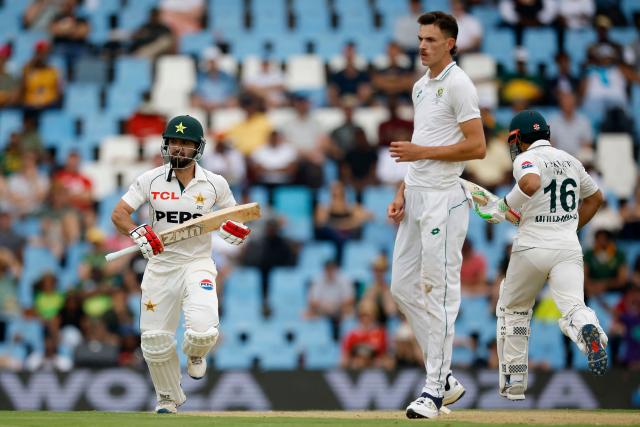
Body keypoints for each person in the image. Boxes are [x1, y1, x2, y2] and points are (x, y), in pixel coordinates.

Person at [110, 115, 252, 414]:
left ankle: (196, 354)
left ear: (197, 148)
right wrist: (138, 232)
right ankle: (167, 398)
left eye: (185, 143)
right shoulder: (149, 179)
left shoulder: (215, 183)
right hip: (160, 266)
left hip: (197, 263)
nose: (177, 148)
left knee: (201, 331)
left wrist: (236, 232)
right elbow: (120, 214)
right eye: (173, 141)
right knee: (154, 342)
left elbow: (235, 218)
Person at [387, 11, 486, 419]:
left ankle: (432, 391)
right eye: (420, 38)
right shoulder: (421, 87)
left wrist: (420, 155)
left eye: (431, 39)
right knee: (401, 287)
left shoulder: (459, 84)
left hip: (445, 199)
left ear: (451, 43)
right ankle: (443, 378)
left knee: (440, 293)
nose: (422, 45)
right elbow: (422, 142)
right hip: (418, 196)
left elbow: (477, 146)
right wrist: (402, 190)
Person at [472, 110, 608, 402]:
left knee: (513, 309)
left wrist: (502, 206)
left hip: (532, 246)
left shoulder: (525, 159)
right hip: (568, 246)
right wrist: (571, 226)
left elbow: (531, 184)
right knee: (573, 307)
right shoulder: (572, 160)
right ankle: (589, 328)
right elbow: (596, 199)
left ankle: (516, 382)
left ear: (519, 138)